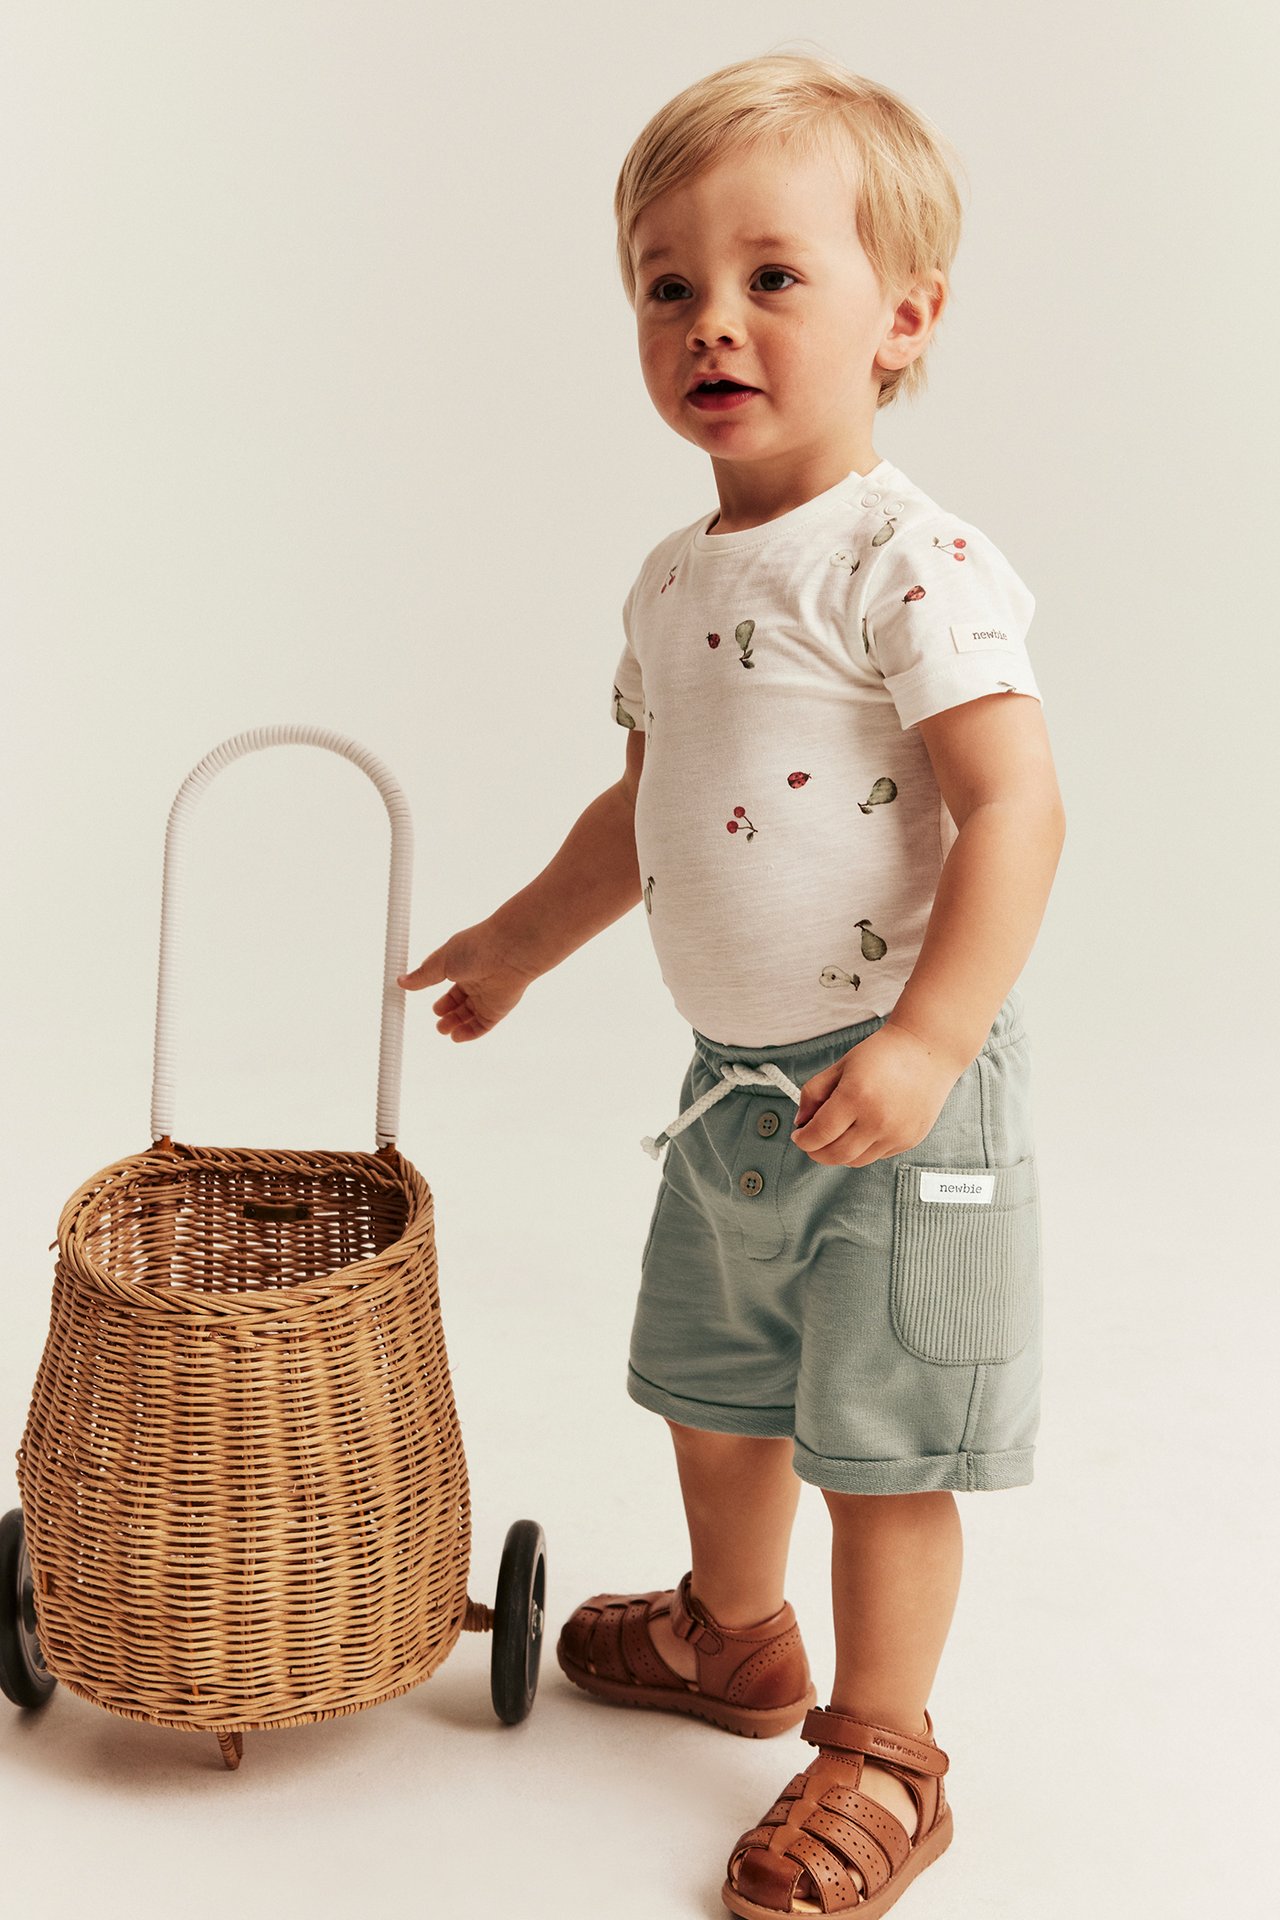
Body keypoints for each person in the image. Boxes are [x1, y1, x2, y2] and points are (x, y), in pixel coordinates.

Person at [399, 49, 1065, 1920]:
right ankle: (732, 1633)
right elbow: (648, 805)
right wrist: (520, 944)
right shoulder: (672, 578)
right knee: (716, 1391)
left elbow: (1015, 803)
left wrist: (935, 1039)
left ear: (901, 320)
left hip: (899, 1088)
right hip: (733, 1088)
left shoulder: (907, 560)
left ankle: (883, 1750)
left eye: (776, 276)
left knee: (878, 1429)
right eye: (668, 281)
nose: (715, 320)